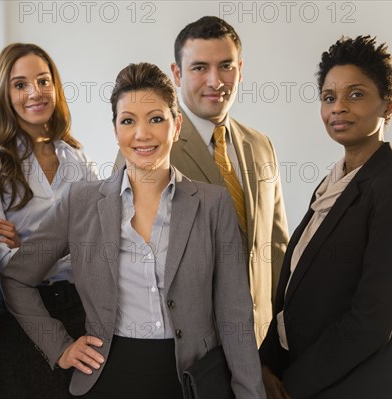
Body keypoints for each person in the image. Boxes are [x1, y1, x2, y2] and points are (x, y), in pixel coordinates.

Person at [0, 62, 265, 398]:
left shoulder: (213, 205)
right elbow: (16, 277)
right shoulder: (81, 202)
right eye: (128, 121)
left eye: (156, 118)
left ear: (176, 125)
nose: (142, 134)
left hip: (194, 382)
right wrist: (59, 346)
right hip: (109, 380)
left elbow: (235, 318)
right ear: (115, 129)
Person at [260, 35, 392, 399]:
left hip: (361, 385)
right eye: (329, 97)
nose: (338, 107)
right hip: (307, 377)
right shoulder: (333, 185)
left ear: (388, 106)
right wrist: (266, 364)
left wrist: (292, 385)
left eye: (356, 94)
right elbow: (295, 288)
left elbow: (374, 318)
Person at [115, 16, 289, 344]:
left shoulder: (261, 146)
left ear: (240, 68)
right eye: (199, 68)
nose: (215, 80)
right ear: (177, 74)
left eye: (225, 66)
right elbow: (127, 256)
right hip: (188, 347)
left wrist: (278, 342)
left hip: (261, 341)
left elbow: (276, 247)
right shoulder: (147, 146)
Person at [0, 43, 98, 398]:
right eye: (20, 84)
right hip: (21, 320)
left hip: (81, 310)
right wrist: (63, 246)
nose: (34, 93)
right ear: (4, 94)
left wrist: (31, 245)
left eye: (43, 80)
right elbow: (6, 265)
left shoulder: (78, 159)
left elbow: (98, 246)